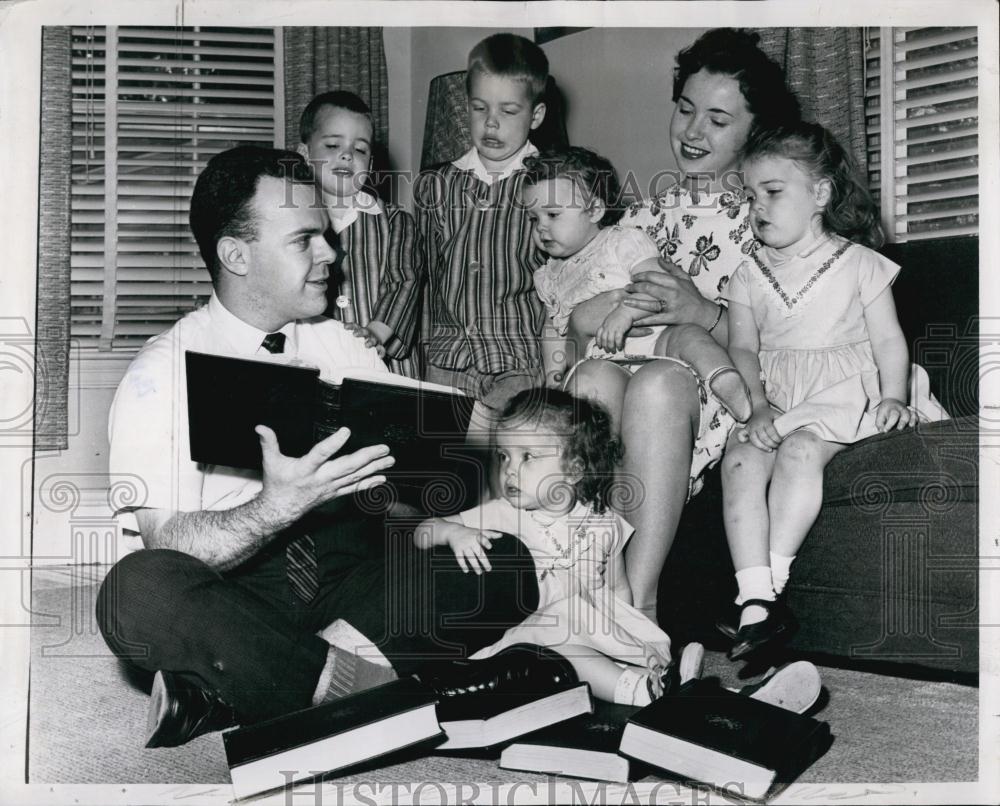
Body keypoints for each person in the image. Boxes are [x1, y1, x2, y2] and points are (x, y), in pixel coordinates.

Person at [96, 146, 546, 749]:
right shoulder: (159, 373)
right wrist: (275, 505)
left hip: (352, 574)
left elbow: (442, 443)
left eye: (325, 236)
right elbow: (167, 541)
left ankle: (232, 695)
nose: (330, 253)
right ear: (236, 255)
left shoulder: (340, 342)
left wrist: (499, 417)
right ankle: (394, 699)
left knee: (504, 563)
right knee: (135, 591)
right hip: (249, 594)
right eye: (304, 239)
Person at [565, 28, 802, 622]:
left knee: (660, 381)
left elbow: (797, 341)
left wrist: (701, 313)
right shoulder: (640, 217)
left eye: (718, 120)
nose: (693, 131)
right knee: (593, 374)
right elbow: (585, 318)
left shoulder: (770, 218)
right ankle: (581, 600)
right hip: (631, 361)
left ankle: (637, 608)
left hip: (715, 383)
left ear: (755, 130)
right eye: (686, 109)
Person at [414, 387, 823, 712]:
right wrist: (451, 532)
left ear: (574, 469)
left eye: (528, 457)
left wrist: (644, 640)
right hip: (532, 641)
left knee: (623, 636)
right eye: (504, 456)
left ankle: (694, 690)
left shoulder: (604, 521)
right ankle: (646, 692)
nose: (509, 471)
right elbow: (421, 531)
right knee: (566, 640)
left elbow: (620, 595)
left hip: (594, 627)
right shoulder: (499, 515)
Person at [718, 122, 948, 659]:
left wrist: (895, 396)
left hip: (848, 391)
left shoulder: (860, 264)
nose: (758, 207)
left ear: (819, 194)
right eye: (751, 196)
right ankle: (752, 599)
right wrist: (756, 406)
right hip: (777, 395)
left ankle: (768, 590)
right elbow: (744, 350)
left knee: (799, 451)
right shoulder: (747, 276)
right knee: (742, 459)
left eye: (773, 192)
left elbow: (889, 340)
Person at [523, 146, 751, 422]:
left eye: (553, 215)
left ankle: (725, 380)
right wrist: (554, 378)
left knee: (689, 337)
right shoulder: (549, 275)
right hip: (599, 363)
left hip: (657, 342)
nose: (541, 228)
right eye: (534, 219)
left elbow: (660, 288)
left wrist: (626, 312)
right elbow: (554, 330)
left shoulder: (623, 241)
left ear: (594, 209)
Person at [414, 32, 549, 416]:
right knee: (444, 456)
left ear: (535, 115)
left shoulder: (548, 187)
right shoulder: (438, 185)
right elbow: (427, 276)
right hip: (447, 359)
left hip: (518, 359)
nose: (491, 124)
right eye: (479, 109)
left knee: (497, 456)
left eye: (508, 112)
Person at [297, 90, 423, 378]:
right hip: (315, 361)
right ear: (305, 153)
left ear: (371, 162)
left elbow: (404, 282)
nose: (347, 154)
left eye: (360, 149)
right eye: (332, 144)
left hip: (386, 366)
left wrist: (376, 334)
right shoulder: (293, 224)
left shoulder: (396, 221)